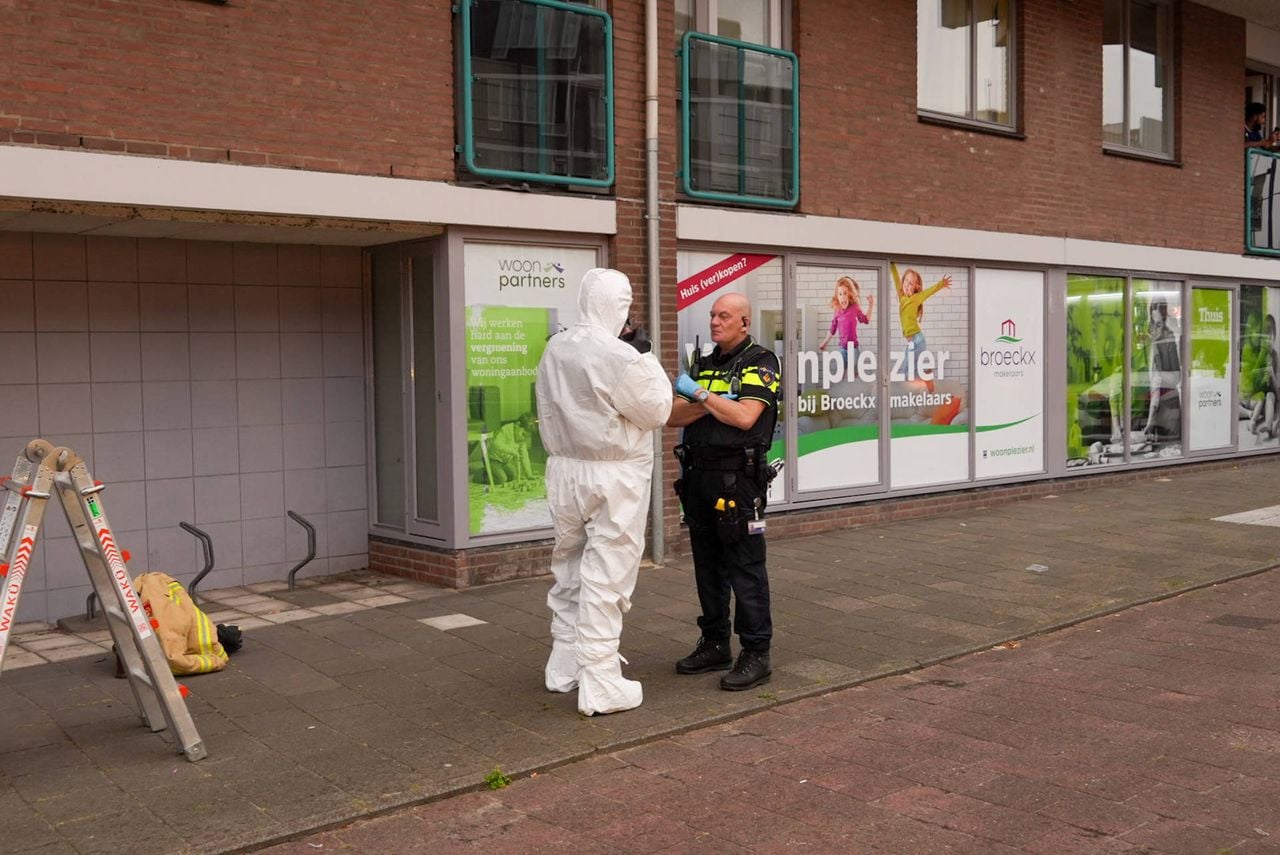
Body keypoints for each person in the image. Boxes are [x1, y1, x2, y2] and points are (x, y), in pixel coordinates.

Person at [535, 268, 672, 716]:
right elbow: (656, 409)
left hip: (565, 470)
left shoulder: (556, 347)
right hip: (613, 475)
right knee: (607, 572)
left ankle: (564, 663)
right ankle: (600, 679)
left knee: (570, 564)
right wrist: (645, 355)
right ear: (618, 304)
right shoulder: (620, 356)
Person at [668, 292, 781, 691]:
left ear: (745, 323)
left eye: (725, 316)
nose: (715, 322)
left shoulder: (761, 362)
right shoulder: (702, 363)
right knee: (707, 566)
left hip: (739, 479)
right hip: (699, 477)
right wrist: (712, 401)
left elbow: (746, 416)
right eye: (713, 315)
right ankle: (715, 642)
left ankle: (756, 652)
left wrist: (700, 395)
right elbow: (671, 415)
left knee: (745, 567)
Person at [891, 263, 951, 383]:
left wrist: (941, 284)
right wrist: (890, 262)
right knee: (908, 368)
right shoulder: (902, 297)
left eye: (911, 283)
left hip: (917, 340)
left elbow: (928, 292)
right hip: (912, 340)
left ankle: (916, 385)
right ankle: (927, 378)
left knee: (907, 370)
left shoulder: (916, 298)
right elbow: (896, 277)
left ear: (915, 287)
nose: (907, 284)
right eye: (906, 280)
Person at [1143, 297, 1181, 446]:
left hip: (1167, 407)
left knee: (1169, 451)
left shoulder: (1168, 339)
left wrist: (1152, 415)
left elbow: (1175, 377)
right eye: (1153, 324)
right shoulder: (1151, 342)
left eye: (1159, 325)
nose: (1155, 330)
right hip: (1154, 406)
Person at [817, 276, 873, 366]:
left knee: (854, 373)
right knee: (842, 373)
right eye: (840, 294)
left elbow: (865, 320)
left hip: (853, 348)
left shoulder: (854, 307)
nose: (843, 297)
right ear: (837, 297)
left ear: (849, 295)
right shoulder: (837, 311)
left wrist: (870, 304)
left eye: (845, 293)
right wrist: (824, 343)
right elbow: (832, 329)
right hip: (842, 349)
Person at [486, 411, 536, 486]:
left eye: (526, 437)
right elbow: (495, 444)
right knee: (502, 479)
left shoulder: (521, 439)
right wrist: (512, 451)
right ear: (517, 425)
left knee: (513, 475)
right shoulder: (505, 430)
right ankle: (483, 473)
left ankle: (496, 472)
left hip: (504, 462)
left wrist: (529, 474)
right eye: (523, 434)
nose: (523, 438)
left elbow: (524, 457)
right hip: (493, 459)